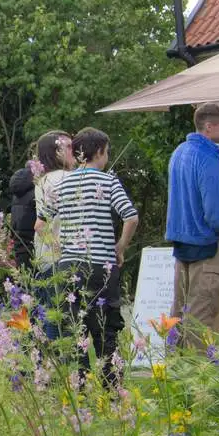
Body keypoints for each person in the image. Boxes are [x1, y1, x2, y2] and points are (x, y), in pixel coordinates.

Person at [39, 128, 139, 386]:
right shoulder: (108, 181)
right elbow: (130, 216)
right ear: (100, 152)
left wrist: (61, 247)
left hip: (69, 265)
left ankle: (80, 389)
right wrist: (120, 247)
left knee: (74, 329)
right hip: (101, 266)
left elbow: (40, 224)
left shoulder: (62, 183)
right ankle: (112, 389)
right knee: (106, 329)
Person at [166, 103, 219, 344]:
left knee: (178, 314)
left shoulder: (179, 152)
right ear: (209, 127)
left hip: (182, 242)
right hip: (208, 244)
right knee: (200, 318)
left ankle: (171, 373)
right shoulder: (208, 157)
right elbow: (215, 212)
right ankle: (198, 377)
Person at [31, 131, 74, 271]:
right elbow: (40, 225)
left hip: (47, 258)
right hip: (62, 260)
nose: (74, 150)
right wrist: (60, 249)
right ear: (56, 152)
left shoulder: (45, 179)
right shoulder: (62, 178)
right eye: (69, 147)